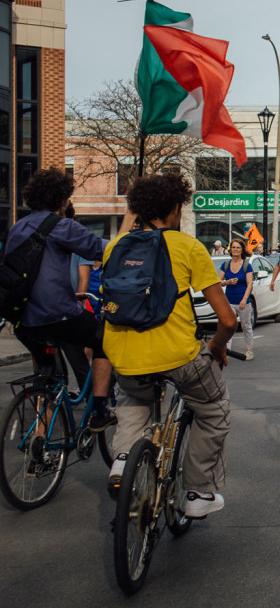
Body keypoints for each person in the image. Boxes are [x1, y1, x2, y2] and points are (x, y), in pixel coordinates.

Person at [102, 173, 236, 517]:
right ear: (176, 207)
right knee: (213, 410)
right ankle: (196, 493)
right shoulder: (188, 247)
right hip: (179, 355)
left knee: (132, 396)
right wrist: (218, 346)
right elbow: (228, 320)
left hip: (124, 354)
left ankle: (122, 460)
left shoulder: (115, 247)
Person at [6, 168, 114, 428]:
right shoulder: (62, 226)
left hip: (23, 320)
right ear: (62, 199)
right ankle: (100, 410)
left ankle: (38, 440)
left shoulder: (17, 227)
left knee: (50, 376)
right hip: (59, 315)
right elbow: (103, 249)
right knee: (105, 338)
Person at [219, 239, 255, 360]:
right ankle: (226, 350)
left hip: (243, 301)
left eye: (238, 248)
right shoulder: (225, 265)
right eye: (233, 248)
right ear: (230, 250)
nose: (235, 250)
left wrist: (244, 300)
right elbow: (218, 282)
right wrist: (227, 282)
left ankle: (249, 350)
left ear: (242, 250)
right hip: (229, 301)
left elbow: (250, 284)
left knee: (246, 326)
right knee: (229, 326)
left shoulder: (246, 265)